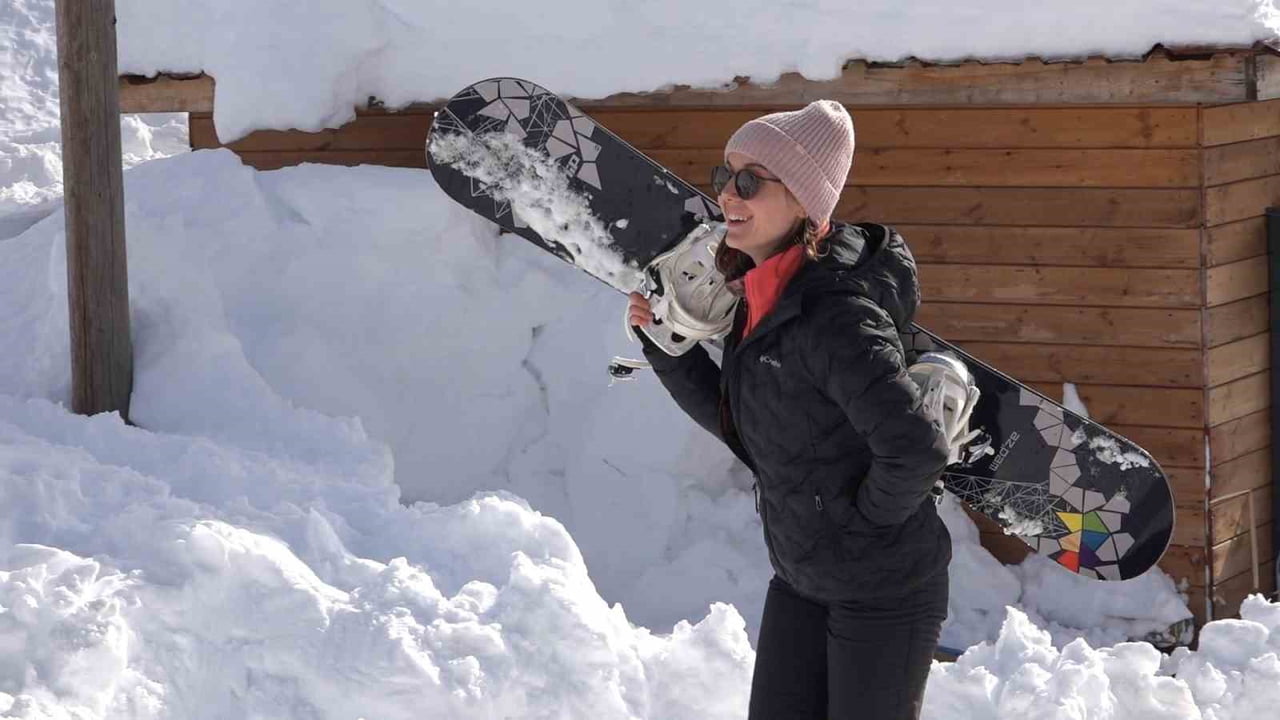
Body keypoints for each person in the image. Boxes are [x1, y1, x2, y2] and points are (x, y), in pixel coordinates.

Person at [628, 101, 957, 719]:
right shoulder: (760, 299)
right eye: (725, 176)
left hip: (883, 592)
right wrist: (665, 346)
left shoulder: (837, 317)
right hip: (801, 580)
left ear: (805, 202)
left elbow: (915, 449)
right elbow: (747, 430)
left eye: (750, 181)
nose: (728, 194)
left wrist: (858, 525)